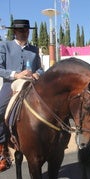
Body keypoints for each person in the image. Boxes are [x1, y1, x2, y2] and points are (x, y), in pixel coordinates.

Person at [0, 19, 44, 172]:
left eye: (26, 31)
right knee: (0, 109)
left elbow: (40, 68)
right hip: (11, 84)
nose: (24, 33)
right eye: (21, 31)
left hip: (31, 84)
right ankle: (2, 147)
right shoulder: (5, 45)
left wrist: (38, 74)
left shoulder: (34, 49)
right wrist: (16, 75)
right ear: (15, 32)